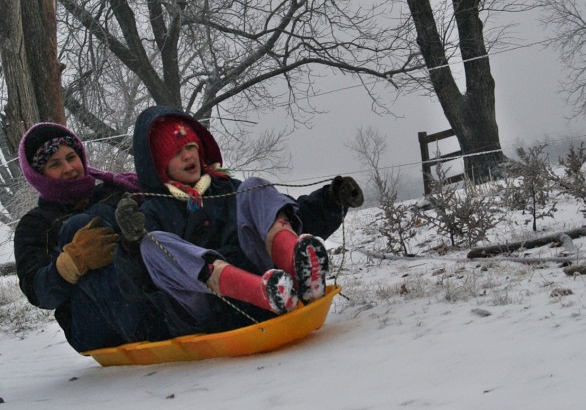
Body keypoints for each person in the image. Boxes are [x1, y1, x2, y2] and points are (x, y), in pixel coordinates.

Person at [114, 106, 364, 337]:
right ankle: (259, 292)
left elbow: (286, 213)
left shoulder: (228, 188)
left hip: (269, 280)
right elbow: (137, 285)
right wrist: (130, 244)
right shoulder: (153, 210)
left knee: (254, 187)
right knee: (151, 242)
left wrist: (331, 200)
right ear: (160, 165)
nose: (188, 156)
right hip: (208, 309)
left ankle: (297, 271)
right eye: (177, 153)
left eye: (190, 147)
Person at [14, 122, 167, 352]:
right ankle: (152, 326)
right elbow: (37, 292)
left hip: (145, 295)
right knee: (79, 225)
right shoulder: (35, 224)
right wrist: (70, 264)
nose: (68, 168)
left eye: (71, 157)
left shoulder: (112, 192)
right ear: (39, 175)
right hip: (90, 324)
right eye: (55, 164)